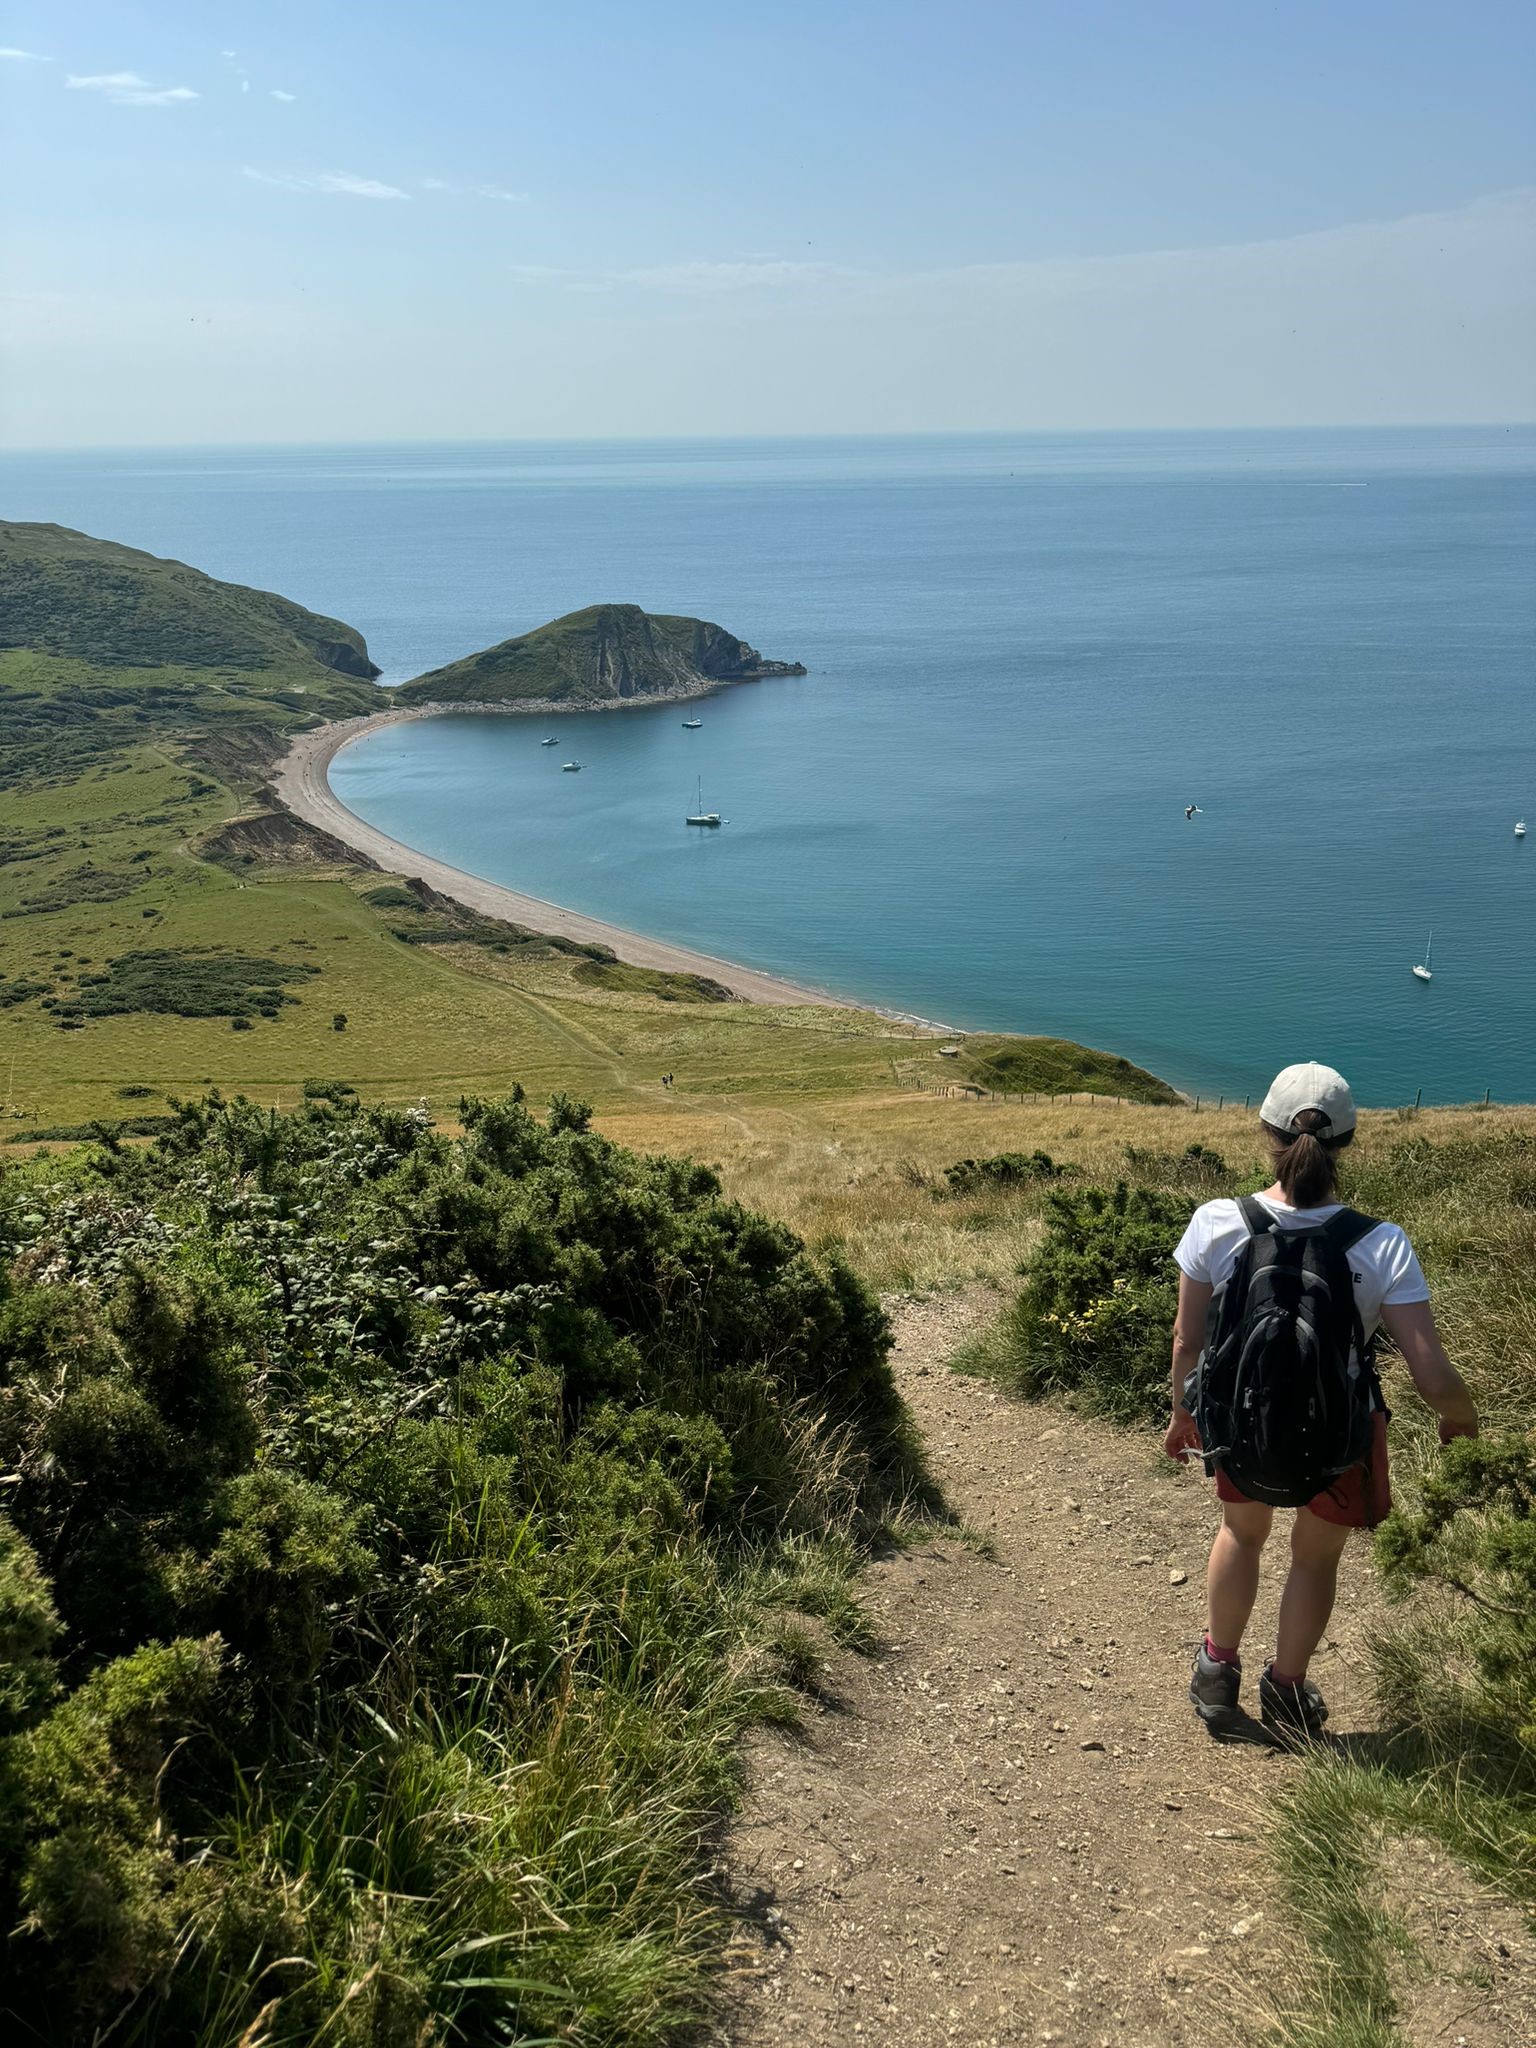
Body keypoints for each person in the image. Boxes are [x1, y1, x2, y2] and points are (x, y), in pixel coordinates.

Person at [1163, 1061, 1478, 1739]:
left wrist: (1182, 1413)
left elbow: (1187, 1341)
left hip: (1243, 1423)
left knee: (1239, 1536)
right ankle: (1287, 1688)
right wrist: (1463, 1423)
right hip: (1340, 1430)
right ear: (1348, 1142)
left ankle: (1217, 1674)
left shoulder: (1218, 1222)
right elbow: (1430, 1370)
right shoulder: (1382, 1243)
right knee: (1314, 1558)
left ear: (1265, 1133)